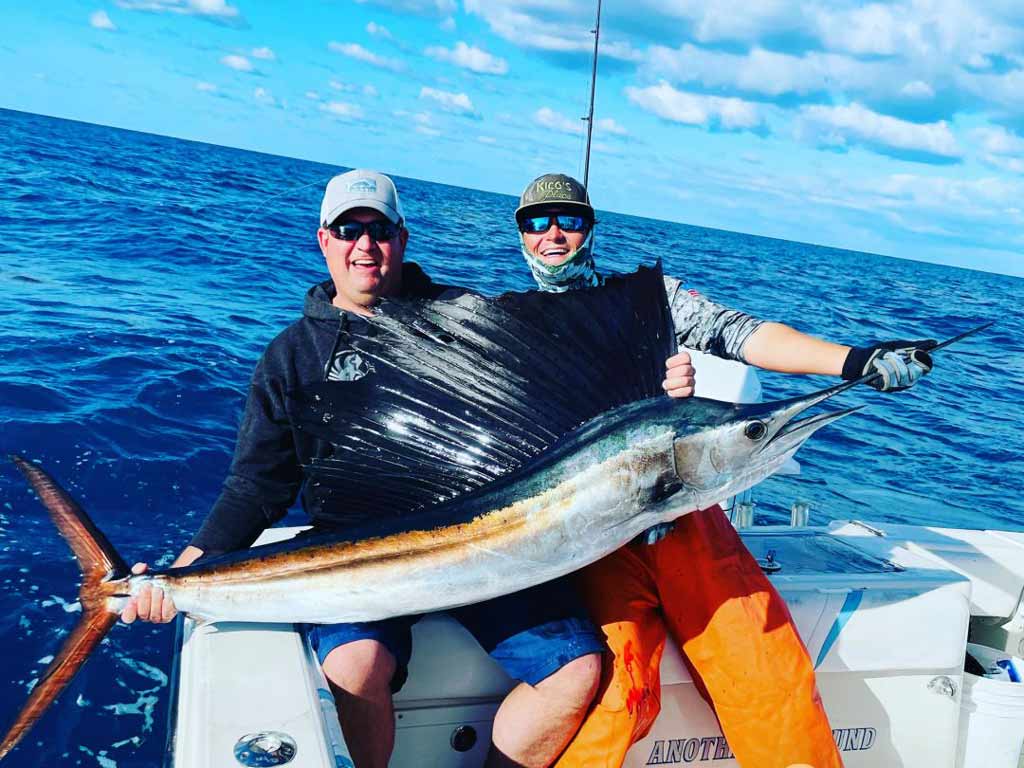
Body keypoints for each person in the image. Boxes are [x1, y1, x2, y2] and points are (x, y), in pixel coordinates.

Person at [121, 169, 605, 768]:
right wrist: (180, 574)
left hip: (483, 543)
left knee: (577, 670)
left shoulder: (463, 319)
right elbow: (257, 487)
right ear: (324, 241)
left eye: (379, 230)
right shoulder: (292, 356)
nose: (365, 246)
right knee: (355, 665)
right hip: (356, 556)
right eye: (349, 230)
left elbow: (551, 396)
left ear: (402, 239)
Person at [513, 173, 934, 768]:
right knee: (621, 695)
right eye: (537, 222)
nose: (553, 234)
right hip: (590, 535)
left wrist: (852, 360)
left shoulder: (648, 302)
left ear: (591, 229)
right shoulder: (513, 328)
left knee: (770, 677)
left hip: (681, 514)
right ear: (520, 235)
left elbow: (745, 335)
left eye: (570, 220)